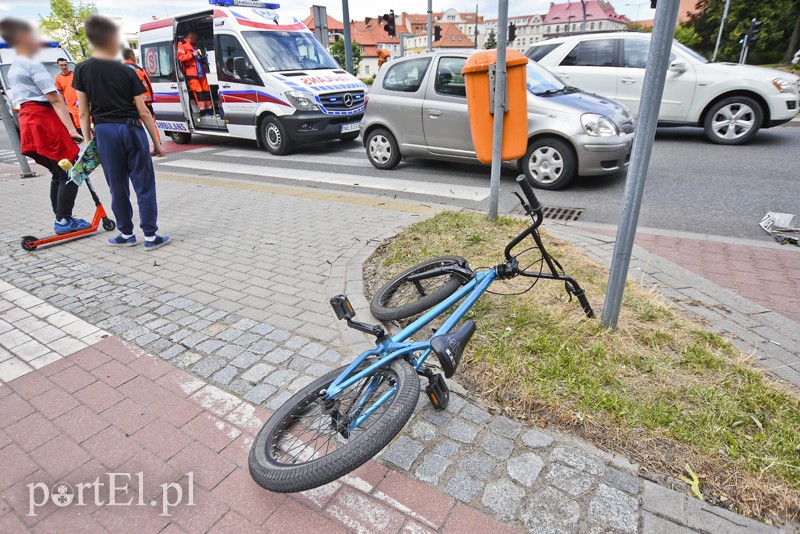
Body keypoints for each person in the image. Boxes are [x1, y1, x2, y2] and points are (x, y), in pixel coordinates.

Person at [73, 15, 169, 250]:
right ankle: (150, 236)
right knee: (144, 185)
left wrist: (88, 143)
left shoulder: (82, 69)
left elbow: (83, 112)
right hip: (131, 129)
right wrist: (156, 143)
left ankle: (126, 235)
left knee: (117, 186)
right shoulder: (127, 72)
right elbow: (143, 111)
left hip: (105, 132)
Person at [0, 17, 88, 235]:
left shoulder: (14, 67)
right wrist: (72, 131)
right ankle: (64, 220)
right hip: (43, 120)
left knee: (58, 172)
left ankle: (61, 216)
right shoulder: (32, 65)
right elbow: (56, 100)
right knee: (71, 170)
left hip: (29, 121)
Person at [121, 47, 161, 151]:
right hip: (147, 101)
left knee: (136, 126)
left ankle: (139, 148)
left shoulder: (124, 70)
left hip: (135, 102)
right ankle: (158, 145)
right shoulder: (139, 68)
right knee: (151, 124)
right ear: (132, 56)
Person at [177, 30, 213, 117]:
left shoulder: (194, 45)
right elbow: (181, 57)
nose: (197, 40)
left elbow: (197, 58)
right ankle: (203, 112)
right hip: (192, 74)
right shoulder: (182, 44)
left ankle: (210, 110)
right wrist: (193, 54)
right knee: (199, 93)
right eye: (196, 38)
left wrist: (202, 58)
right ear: (191, 37)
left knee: (207, 92)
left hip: (201, 73)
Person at [54, 57, 81, 134]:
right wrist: (62, 105)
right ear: (58, 66)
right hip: (70, 105)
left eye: (65, 65)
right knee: (77, 124)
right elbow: (61, 93)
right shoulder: (58, 78)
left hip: (79, 102)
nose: (64, 67)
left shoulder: (75, 75)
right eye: (61, 65)